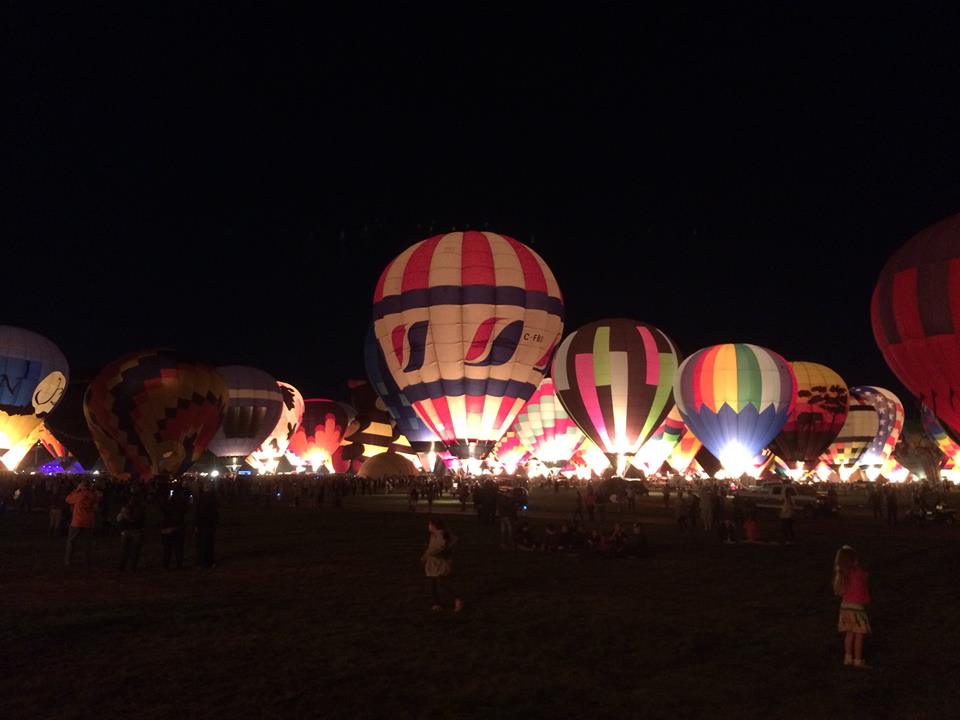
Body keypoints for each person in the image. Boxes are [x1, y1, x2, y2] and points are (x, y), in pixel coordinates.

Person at [833, 545, 871, 668]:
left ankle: (847, 657)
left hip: (845, 608)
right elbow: (864, 581)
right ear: (853, 560)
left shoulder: (843, 575)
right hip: (857, 608)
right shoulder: (858, 573)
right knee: (859, 635)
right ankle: (858, 660)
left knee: (849, 634)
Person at [420, 518, 462, 612]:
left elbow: (438, 548)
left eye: (429, 524)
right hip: (434, 564)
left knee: (443, 583)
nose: (428, 526)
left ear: (434, 526)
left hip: (439, 564)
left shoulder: (441, 535)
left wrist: (430, 553)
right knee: (432, 584)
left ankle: (457, 599)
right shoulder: (435, 535)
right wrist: (425, 556)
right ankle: (437, 603)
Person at [64, 479, 101, 566]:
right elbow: (97, 504)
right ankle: (87, 560)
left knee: (71, 542)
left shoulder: (78, 494)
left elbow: (67, 499)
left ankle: (68, 560)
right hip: (88, 521)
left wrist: (76, 489)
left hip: (77, 521)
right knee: (87, 543)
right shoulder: (93, 495)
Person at [160, 484, 188, 570]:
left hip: (168, 528)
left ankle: (166, 565)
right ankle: (179, 565)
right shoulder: (181, 504)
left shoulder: (168, 503)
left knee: (168, 549)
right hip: (177, 528)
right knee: (178, 548)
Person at [117, 490, 146, 571]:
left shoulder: (125, 508)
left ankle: (122, 566)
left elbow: (119, 519)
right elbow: (143, 520)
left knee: (125, 550)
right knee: (135, 551)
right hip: (136, 530)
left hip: (127, 530)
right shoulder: (141, 509)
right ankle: (132, 567)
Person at [195, 487, 219, 569]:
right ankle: (210, 562)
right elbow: (216, 513)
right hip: (210, 525)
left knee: (202, 545)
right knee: (210, 544)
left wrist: (197, 525)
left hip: (203, 525)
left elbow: (198, 513)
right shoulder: (213, 500)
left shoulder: (201, 501)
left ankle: (202, 562)